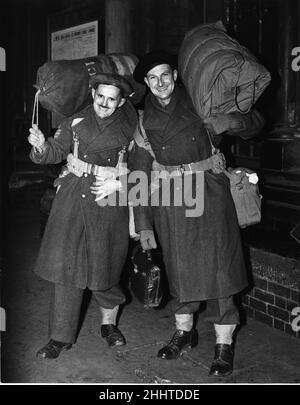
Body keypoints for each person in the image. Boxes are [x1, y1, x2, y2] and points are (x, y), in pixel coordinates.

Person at [131, 51, 264, 376]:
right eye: (152, 78)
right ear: (147, 83)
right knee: (180, 271)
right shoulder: (143, 121)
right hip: (171, 204)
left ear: (175, 75)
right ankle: (183, 332)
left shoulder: (203, 100)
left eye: (165, 75)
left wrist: (228, 122)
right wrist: (143, 223)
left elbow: (256, 121)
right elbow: (137, 176)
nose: (160, 83)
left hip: (210, 194)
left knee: (222, 272)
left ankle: (223, 344)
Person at [28, 73, 137, 359]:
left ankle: (109, 325)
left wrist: (122, 183)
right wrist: (41, 144)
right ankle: (59, 337)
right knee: (67, 269)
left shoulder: (132, 126)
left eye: (112, 98)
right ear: (93, 94)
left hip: (108, 199)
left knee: (107, 269)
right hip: (74, 198)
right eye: (100, 96)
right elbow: (55, 151)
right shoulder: (75, 121)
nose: (104, 103)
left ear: (122, 101)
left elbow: (146, 168)